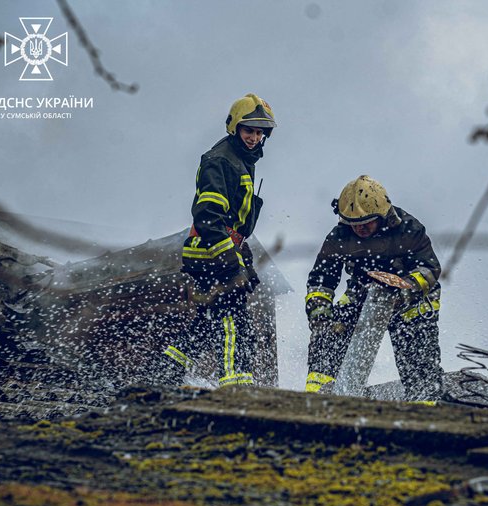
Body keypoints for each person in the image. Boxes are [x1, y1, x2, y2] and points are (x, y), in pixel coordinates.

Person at [162, 93, 276, 387]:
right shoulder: (220, 160)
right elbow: (208, 216)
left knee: (206, 321)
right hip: (210, 253)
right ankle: (236, 387)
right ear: (235, 127)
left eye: (259, 132)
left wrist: (242, 256)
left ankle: (165, 374)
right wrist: (229, 260)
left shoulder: (241, 160)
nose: (254, 138)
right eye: (249, 130)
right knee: (233, 319)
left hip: (220, 251)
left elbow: (233, 222)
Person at [304, 175, 444, 402]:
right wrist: (320, 314)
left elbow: (429, 268)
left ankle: (425, 408)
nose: (359, 228)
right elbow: (321, 279)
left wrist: (405, 289)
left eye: (366, 222)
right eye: (354, 223)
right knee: (329, 335)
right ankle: (317, 401)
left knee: (418, 361)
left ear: (382, 215)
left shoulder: (408, 229)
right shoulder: (340, 236)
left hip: (410, 303)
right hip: (363, 294)